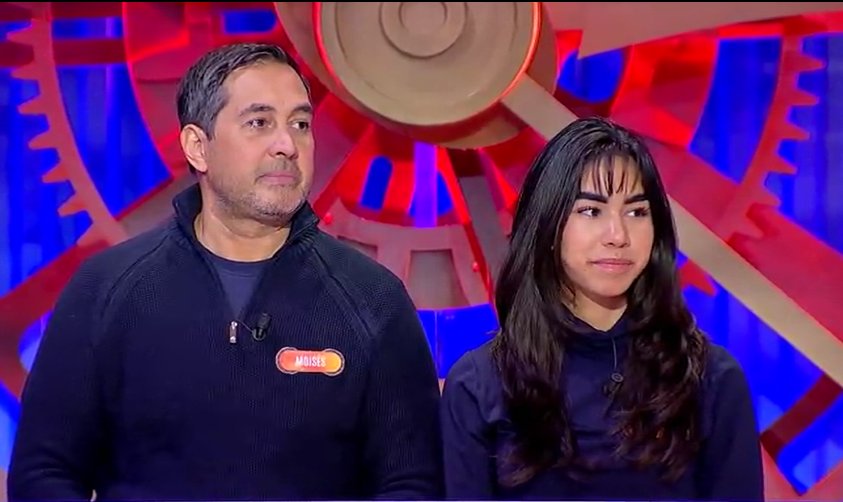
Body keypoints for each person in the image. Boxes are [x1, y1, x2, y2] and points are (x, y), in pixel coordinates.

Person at [8, 43, 443, 501]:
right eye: (259, 123)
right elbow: (44, 472)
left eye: (300, 124)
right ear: (198, 147)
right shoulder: (106, 288)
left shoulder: (373, 299)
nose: (287, 145)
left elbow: (414, 483)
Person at [440, 117, 765, 501]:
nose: (618, 236)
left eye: (636, 212)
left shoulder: (710, 379)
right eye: (591, 211)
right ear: (547, 225)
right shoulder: (479, 385)